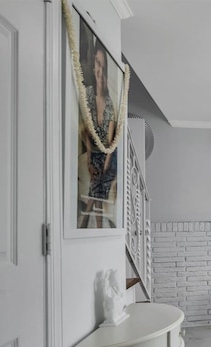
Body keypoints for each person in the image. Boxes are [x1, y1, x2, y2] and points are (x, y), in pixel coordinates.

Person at [79, 40, 117, 228]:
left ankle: (85, 220)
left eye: (103, 65)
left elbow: (110, 143)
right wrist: (88, 160)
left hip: (107, 156)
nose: (99, 70)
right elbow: (86, 130)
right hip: (93, 154)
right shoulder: (87, 95)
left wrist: (105, 165)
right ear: (93, 65)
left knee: (98, 183)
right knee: (98, 189)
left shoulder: (109, 103)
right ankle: (99, 228)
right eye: (97, 63)